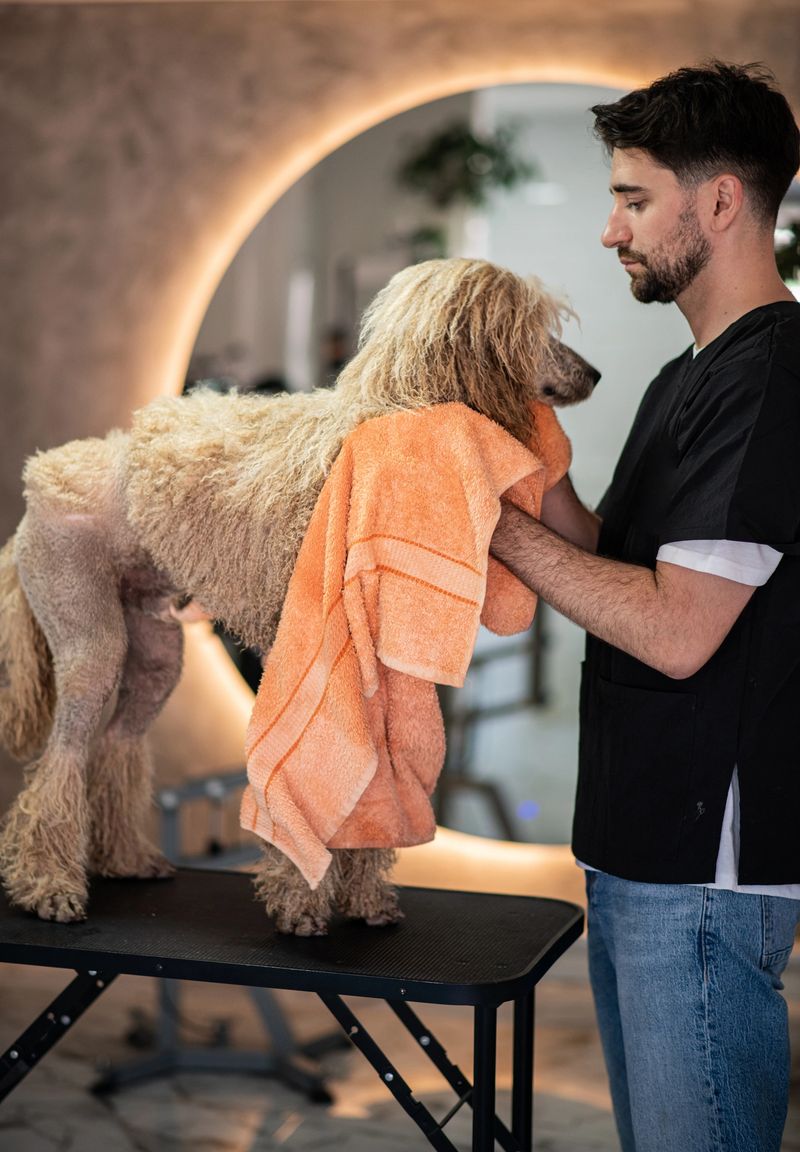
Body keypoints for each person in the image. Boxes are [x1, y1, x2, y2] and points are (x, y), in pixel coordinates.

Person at [490, 61, 800, 1152]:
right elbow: (604, 560)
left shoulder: (772, 377)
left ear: (718, 201)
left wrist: (490, 529)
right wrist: (499, 439)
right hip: (635, 839)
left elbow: (674, 631)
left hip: (701, 871)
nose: (609, 230)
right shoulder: (688, 375)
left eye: (632, 199)